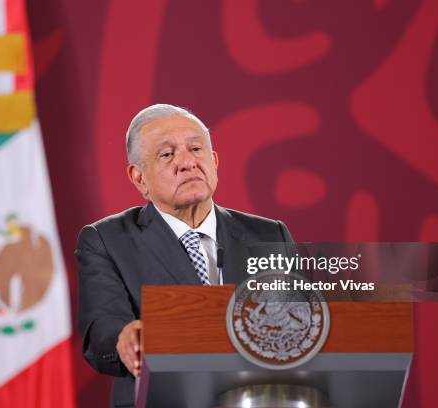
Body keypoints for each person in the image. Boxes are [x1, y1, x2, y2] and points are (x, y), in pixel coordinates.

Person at [75, 104, 293, 407]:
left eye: (196, 148)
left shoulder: (269, 236)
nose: (187, 162)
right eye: (167, 154)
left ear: (214, 161)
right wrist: (126, 339)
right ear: (139, 178)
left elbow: (299, 330)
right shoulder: (107, 240)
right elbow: (102, 329)